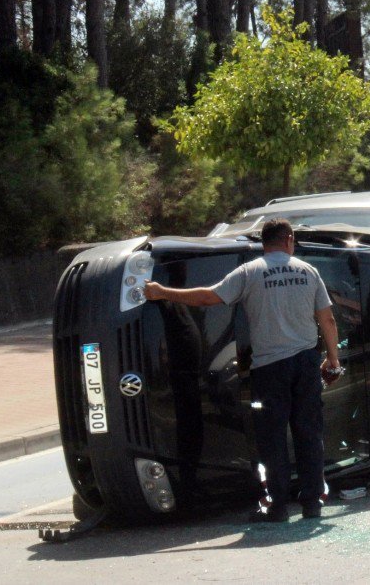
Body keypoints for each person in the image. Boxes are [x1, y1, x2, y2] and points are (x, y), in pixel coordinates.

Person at [143, 218, 341, 523]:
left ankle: (276, 506)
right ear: (288, 240)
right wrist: (333, 359)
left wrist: (162, 292)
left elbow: (207, 297)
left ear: (265, 242)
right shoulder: (308, 271)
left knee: (272, 439)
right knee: (309, 434)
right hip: (305, 364)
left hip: (270, 369)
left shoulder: (250, 272)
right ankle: (312, 503)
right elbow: (327, 319)